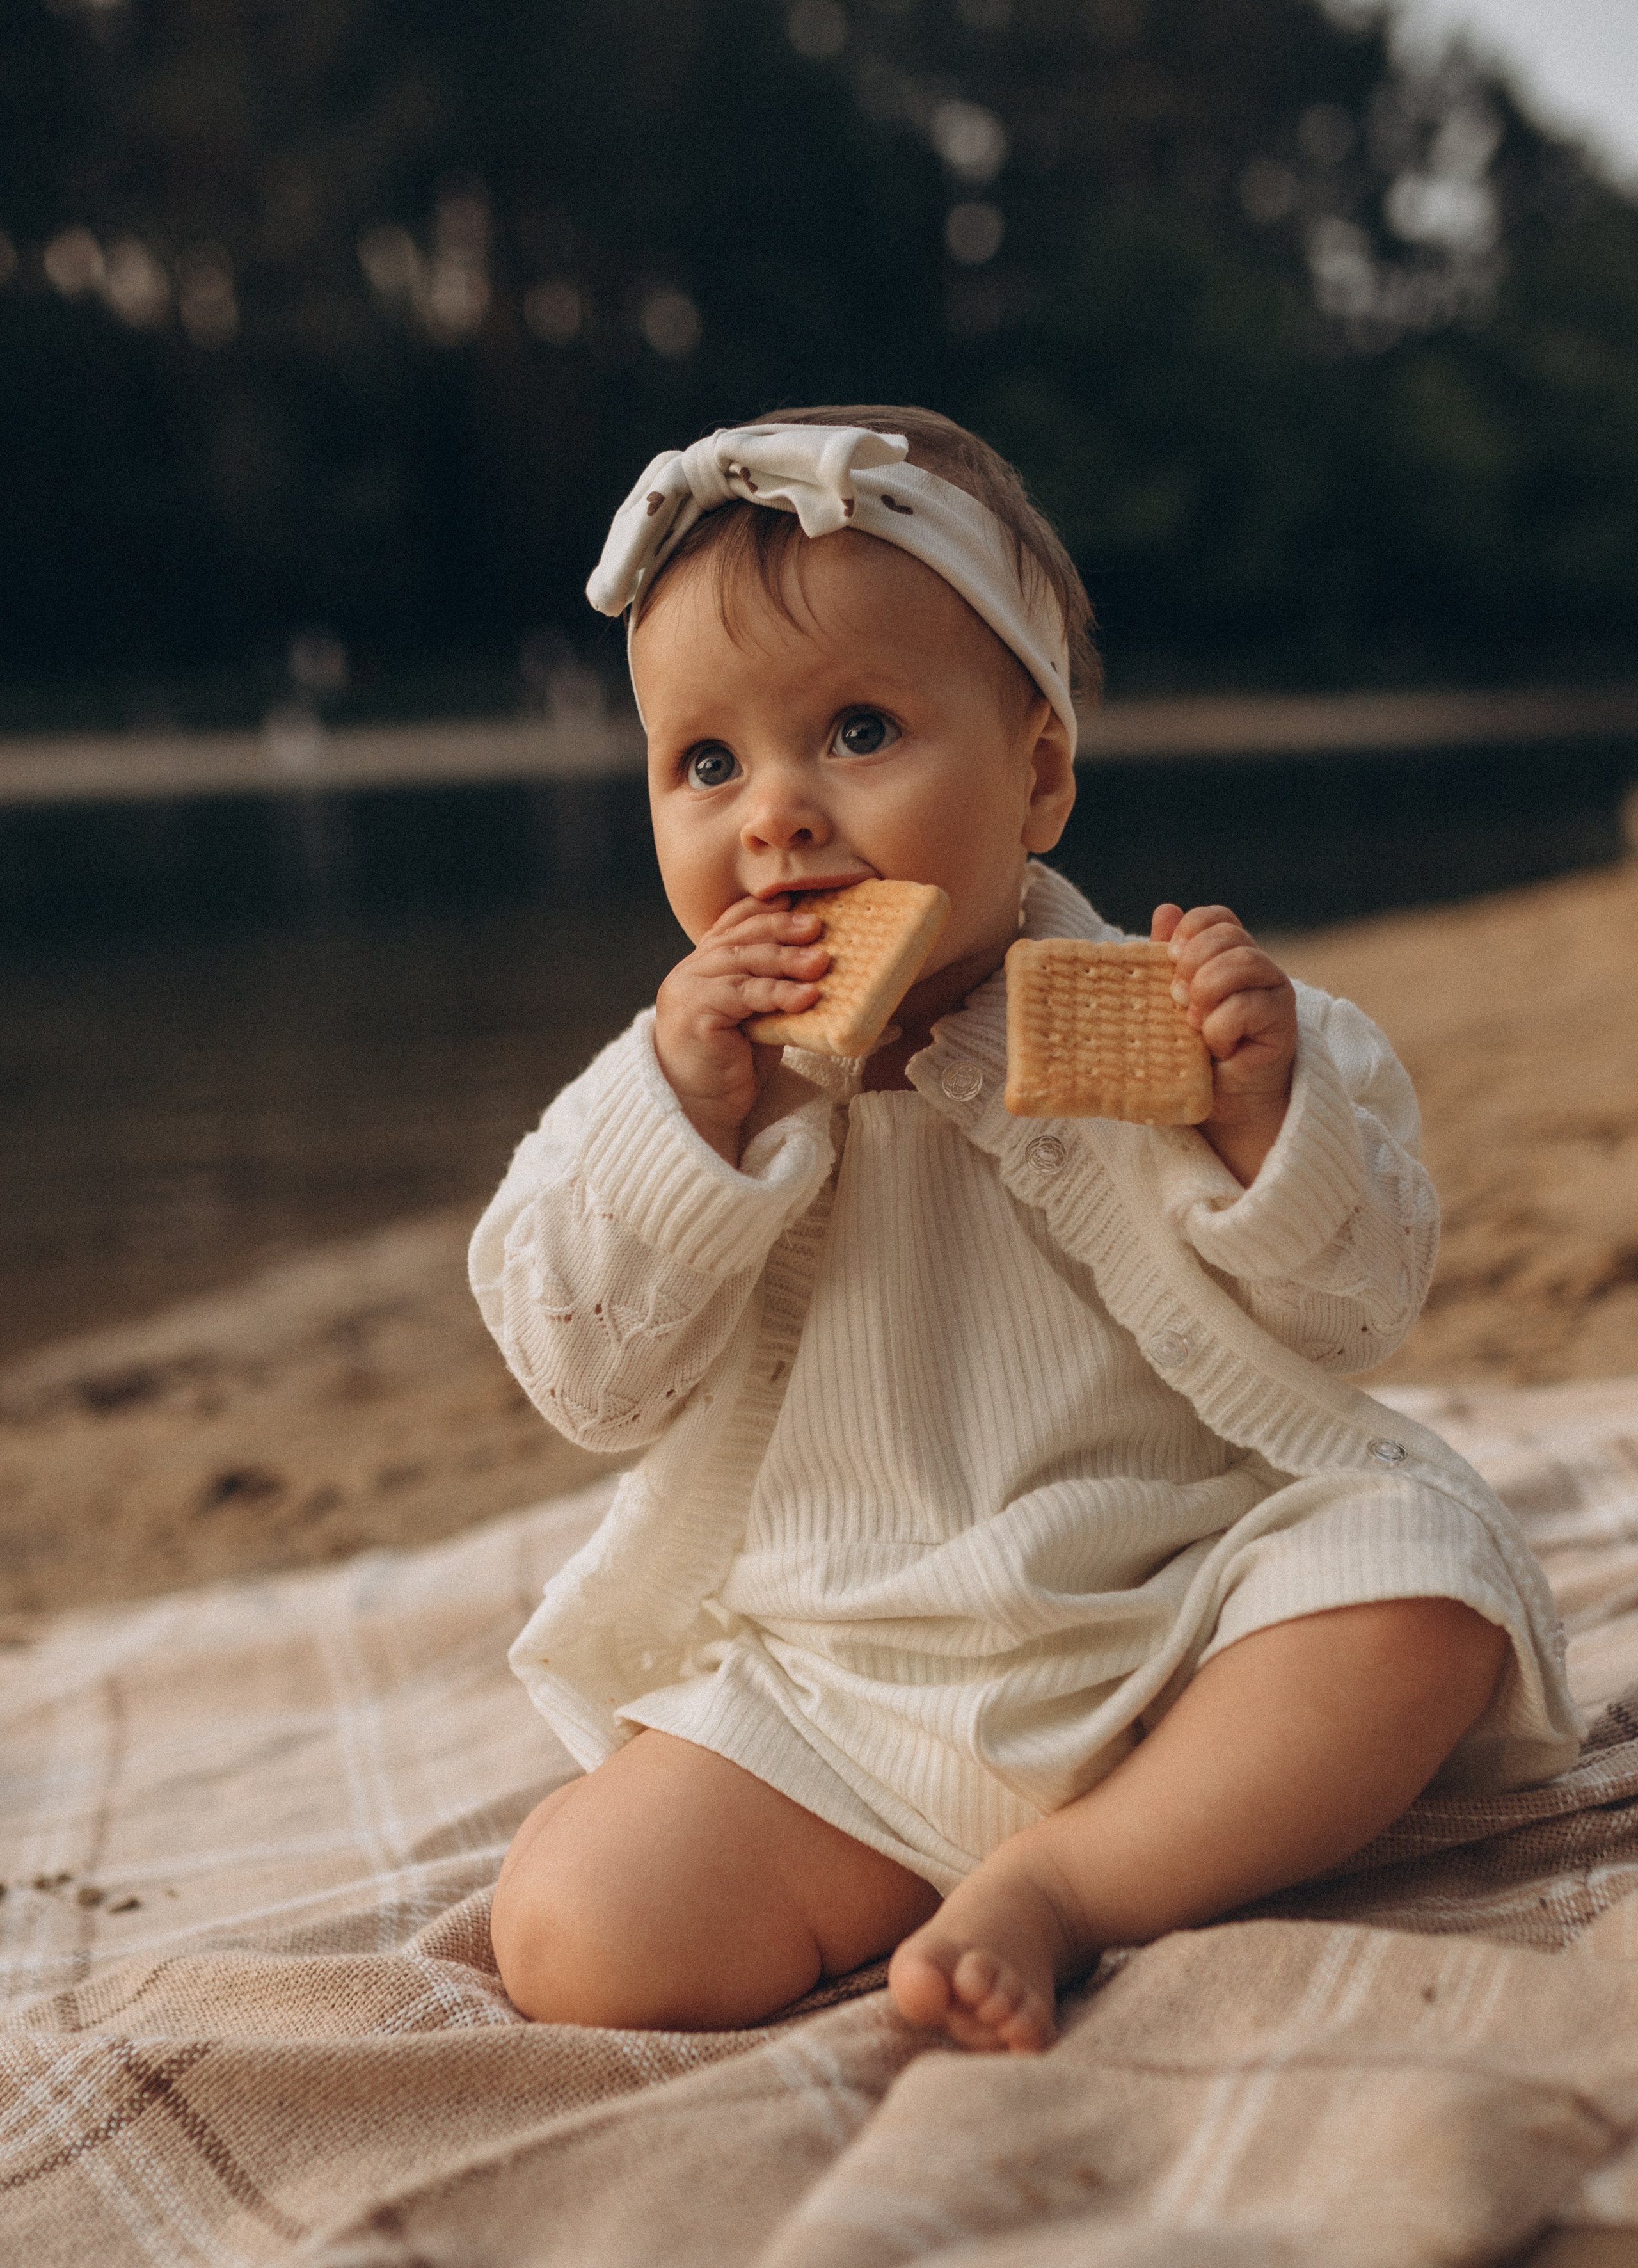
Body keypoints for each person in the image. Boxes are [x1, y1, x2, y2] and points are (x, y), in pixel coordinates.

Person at [470, 406, 1580, 2053]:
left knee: (1423, 1595)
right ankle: (960, 1859)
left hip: (1184, 1614)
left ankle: (1062, 1884)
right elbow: (588, 1385)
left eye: (856, 730)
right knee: (573, 1928)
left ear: (1038, 772)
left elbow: (1355, 1313)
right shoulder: (660, 1098)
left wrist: (1259, 1122)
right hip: (835, 1684)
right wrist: (692, 1129)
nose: (771, 815)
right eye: (705, 763)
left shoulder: (1188, 1027)